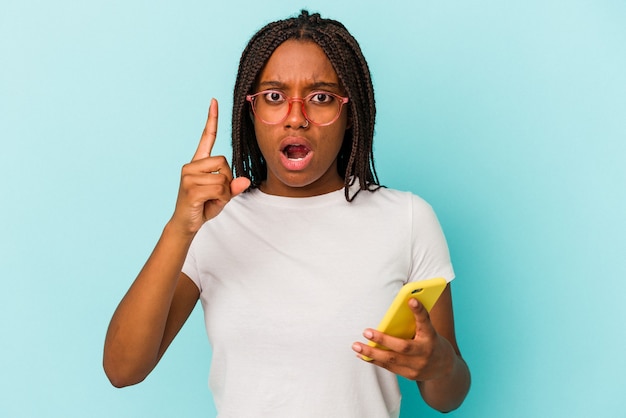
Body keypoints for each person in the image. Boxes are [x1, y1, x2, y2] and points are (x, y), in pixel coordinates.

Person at [103, 10, 470, 417]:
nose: (296, 117)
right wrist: (179, 228)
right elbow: (123, 370)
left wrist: (440, 365)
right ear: (250, 111)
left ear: (351, 114)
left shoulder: (408, 219)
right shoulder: (213, 223)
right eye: (275, 97)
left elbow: (446, 396)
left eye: (322, 97)